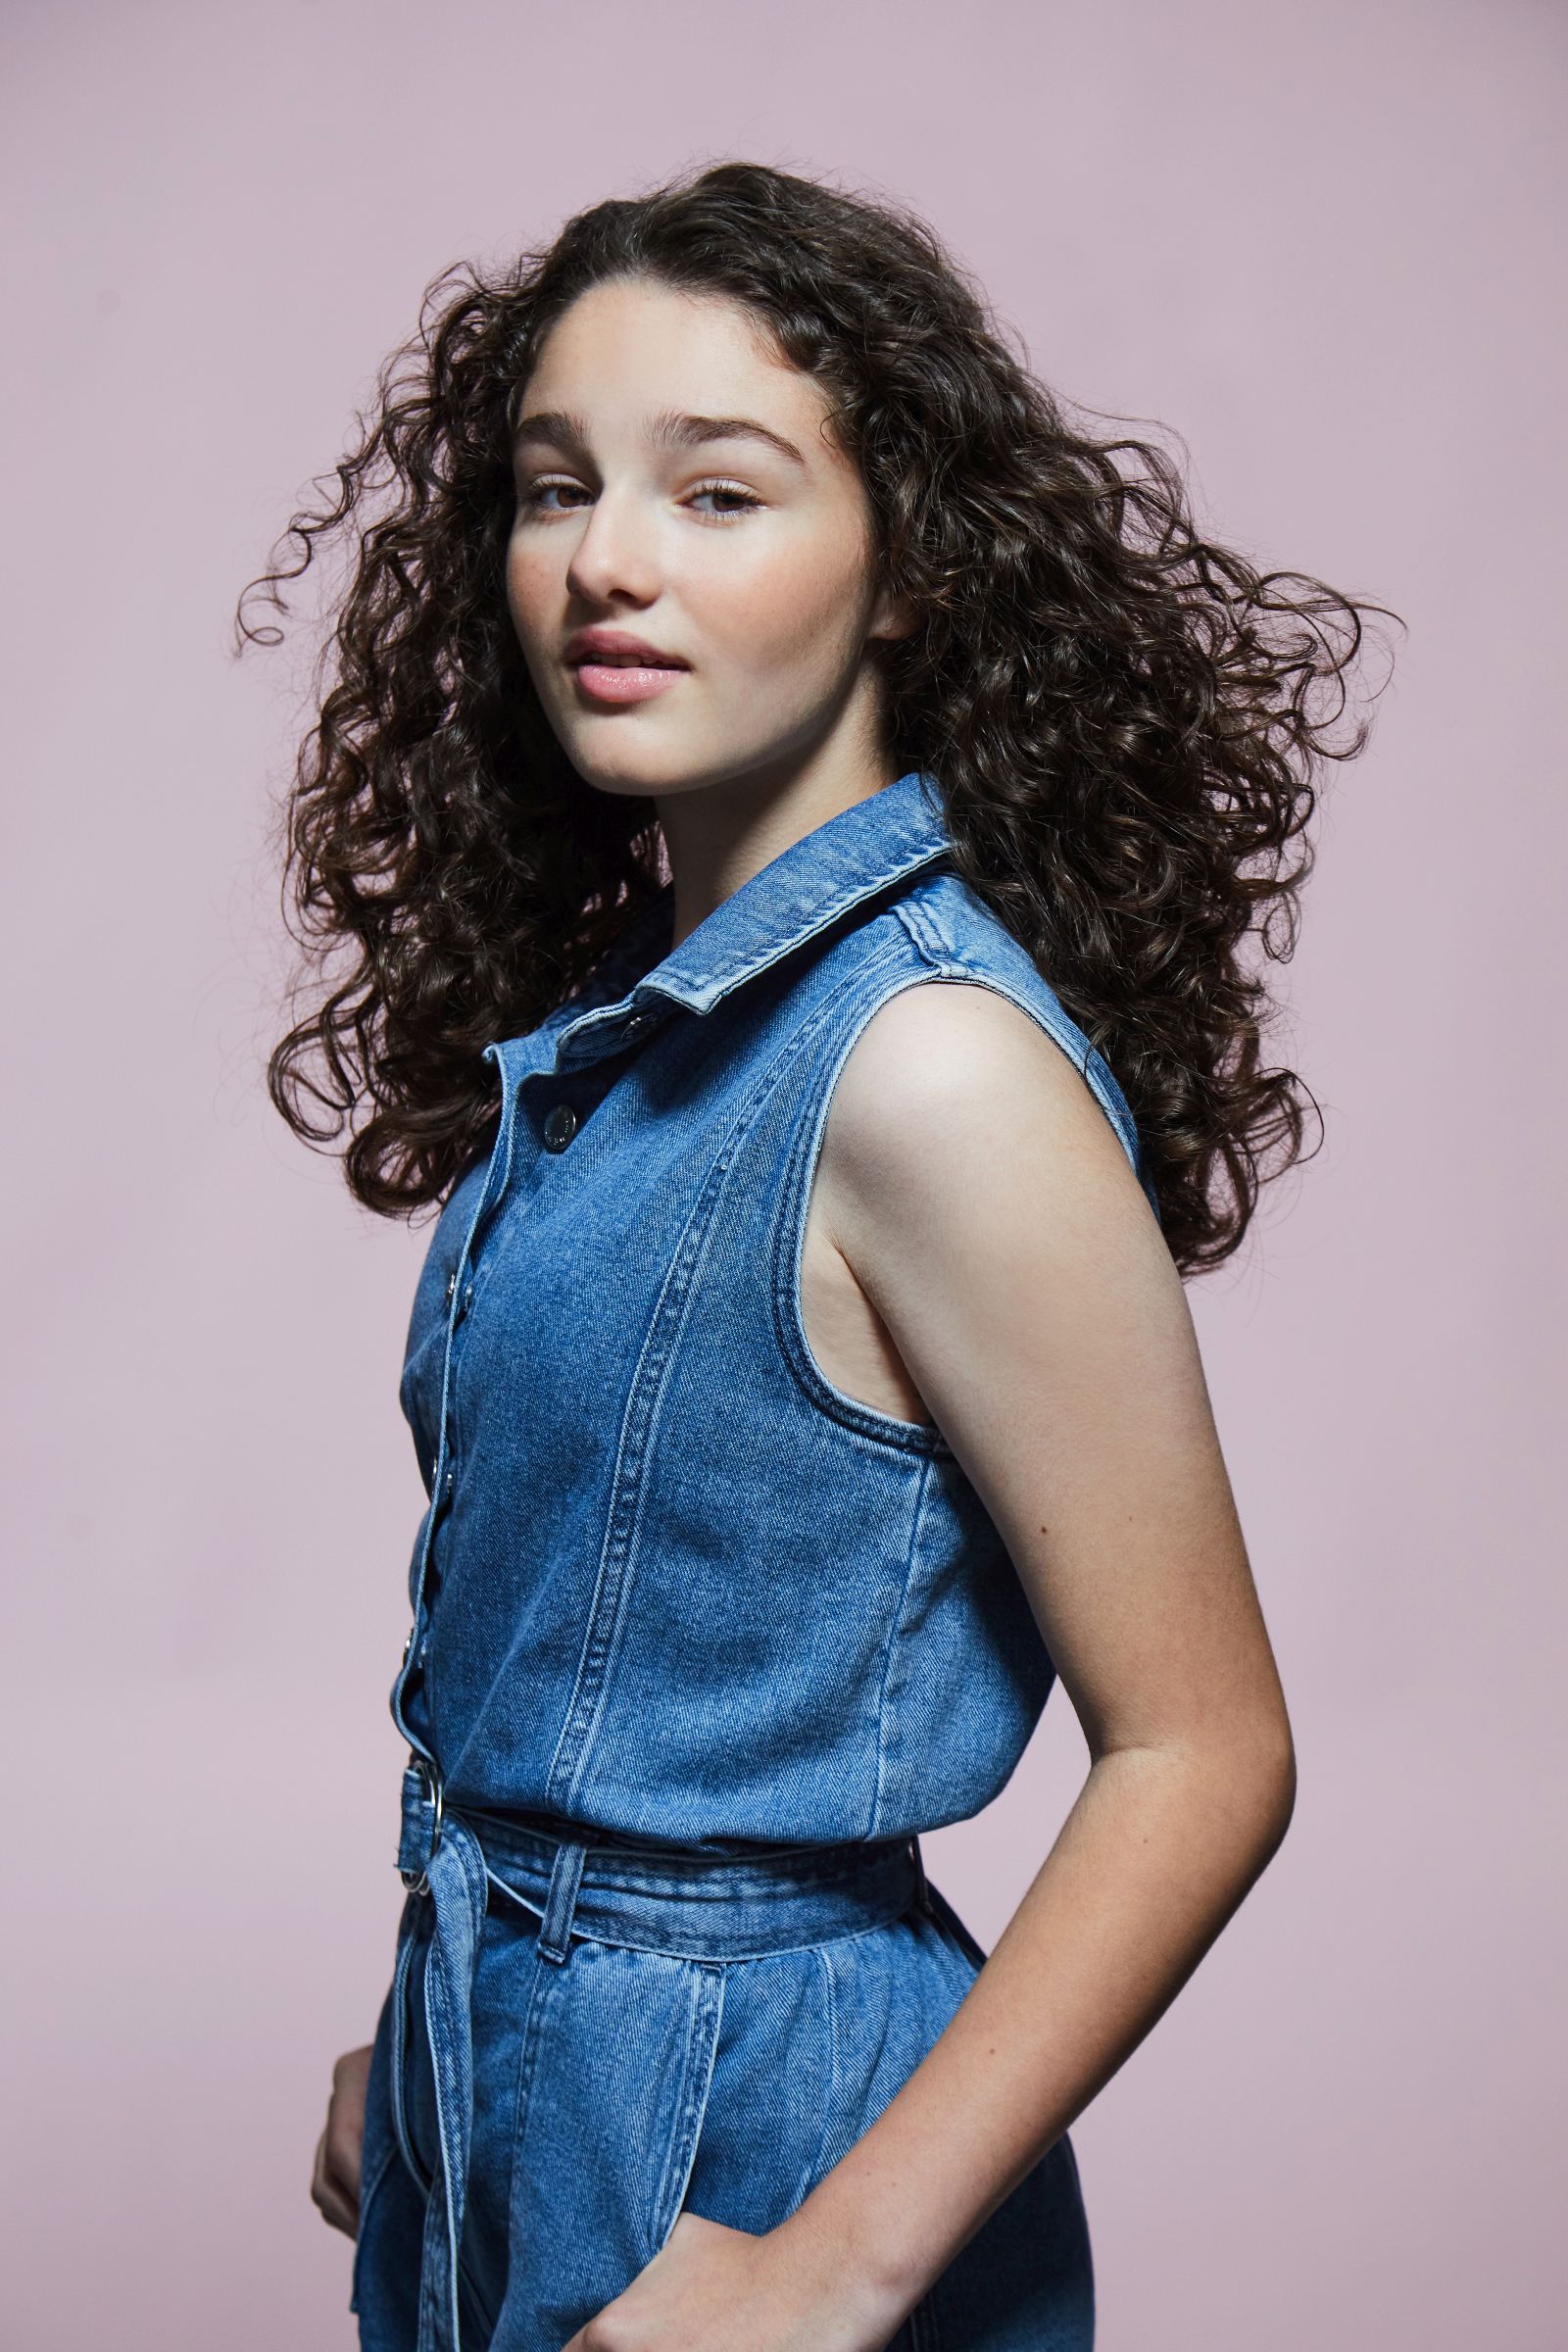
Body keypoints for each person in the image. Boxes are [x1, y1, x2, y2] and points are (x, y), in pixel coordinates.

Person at [237, 160, 1386, 2351]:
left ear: (903, 579)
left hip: (767, 2149)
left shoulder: (921, 1069)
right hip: (515, 2100)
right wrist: (466, 2036)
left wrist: (825, 2278)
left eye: (722, 493)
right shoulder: (644, 1048)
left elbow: (1204, 1749)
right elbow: (608, 1658)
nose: (606, 561)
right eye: (554, 487)